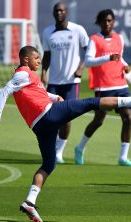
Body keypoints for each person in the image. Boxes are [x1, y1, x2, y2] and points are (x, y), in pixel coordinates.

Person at [0, 46, 131, 222]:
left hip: (39, 126)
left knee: (49, 164)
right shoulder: (23, 73)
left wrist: (54, 97)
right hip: (49, 114)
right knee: (90, 103)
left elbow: (37, 92)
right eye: (36, 58)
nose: (39, 61)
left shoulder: (26, 76)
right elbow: (5, 91)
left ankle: (29, 202)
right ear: (26, 60)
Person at [74, 9, 131, 167]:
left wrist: (126, 67)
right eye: (105, 21)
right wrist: (107, 57)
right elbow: (88, 61)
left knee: (128, 118)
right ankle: (80, 147)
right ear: (99, 22)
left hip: (121, 84)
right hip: (103, 86)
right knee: (98, 120)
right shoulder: (94, 39)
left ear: (114, 21)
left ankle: (123, 157)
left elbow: (120, 58)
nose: (107, 23)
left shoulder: (119, 38)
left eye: (110, 20)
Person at [41, 1, 89, 164]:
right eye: (56, 10)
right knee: (52, 117)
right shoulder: (48, 32)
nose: (59, 13)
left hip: (71, 82)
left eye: (62, 10)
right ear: (54, 13)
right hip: (54, 82)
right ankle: (52, 149)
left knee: (67, 117)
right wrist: (43, 73)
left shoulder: (78, 30)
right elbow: (46, 55)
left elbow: (89, 50)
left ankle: (59, 153)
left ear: (66, 12)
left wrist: (81, 67)